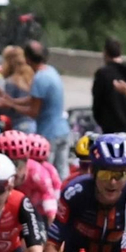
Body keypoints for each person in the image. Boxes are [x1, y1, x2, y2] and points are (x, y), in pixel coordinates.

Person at [26, 42, 71, 173]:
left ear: (27, 59)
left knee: (46, 172)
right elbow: (34, 100)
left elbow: (33, 111)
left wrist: (10, 105)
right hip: (63, 129)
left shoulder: (39, 78)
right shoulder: (51, 71)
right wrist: (12, 101)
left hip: (48, 134)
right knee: (62, 172)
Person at [91, 37, 126, 135]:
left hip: (110, 131)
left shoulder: (102, 74)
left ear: (105, 53)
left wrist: (102, 122)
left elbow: (97, 105)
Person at [0, 46, 37, 133]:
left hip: (20, 125)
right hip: (35, 124)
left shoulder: (11, 81)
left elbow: (7, 108)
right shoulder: (33, 77)